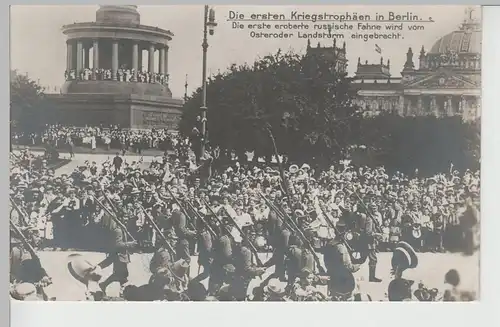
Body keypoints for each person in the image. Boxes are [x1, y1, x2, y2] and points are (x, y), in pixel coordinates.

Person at [95, 215, 137, 296]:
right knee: (121, 274)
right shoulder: (118, 231)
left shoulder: (122, 229)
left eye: (127, 219)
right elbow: (118, 245)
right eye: (124, 218)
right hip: (119, 256)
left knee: (122, 274)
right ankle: (108, 286)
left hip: (122, 255)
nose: (126, 220)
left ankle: (118, 290)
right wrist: (130, 244)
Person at [323, 217, 360, 300]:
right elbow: (348, 266)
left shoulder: (329, 244)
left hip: (332, 277)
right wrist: (356, 266)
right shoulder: (341, 247)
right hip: (344, 280)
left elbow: (326, 261)